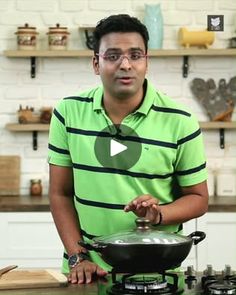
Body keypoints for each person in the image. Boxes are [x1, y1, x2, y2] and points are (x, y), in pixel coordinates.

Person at [48, 14, 208, 284]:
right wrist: (78, 257)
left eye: (135, 55)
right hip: (88, 272)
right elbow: (60, 193)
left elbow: (198, 198)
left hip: (159, 271)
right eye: (112, 56)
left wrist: (158, 215)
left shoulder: (181, 120)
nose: (125, 64)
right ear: (96, 64)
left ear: (147, 62)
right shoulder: (68, 112)